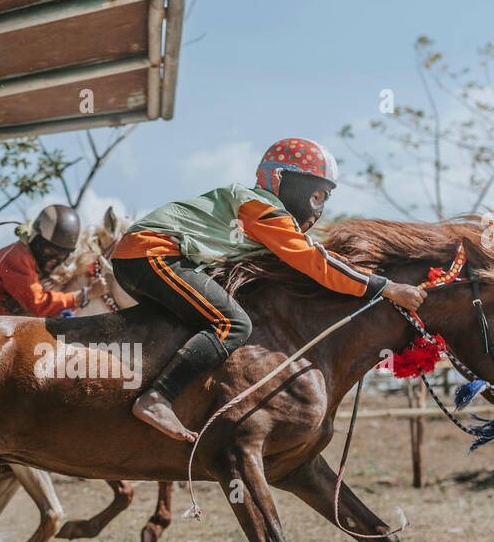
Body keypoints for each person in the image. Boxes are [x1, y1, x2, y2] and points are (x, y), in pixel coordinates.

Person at [110, 138, 428, 442]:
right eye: (316, 195)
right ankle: (157, 398)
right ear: (281, 180)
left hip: (142, 257)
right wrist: (385, 287)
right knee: (233, 323)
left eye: (324, 198)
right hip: (151, 253)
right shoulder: (260, 208)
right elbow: (315, 261)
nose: (318, 208)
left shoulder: (255, 210)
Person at [0, 204, 109, 317]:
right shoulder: (18, 258)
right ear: (36, 241)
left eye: (62, 256)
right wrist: (86, 294)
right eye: (50, 252)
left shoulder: (30, 256)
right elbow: (38, 304)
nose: (53, 260)